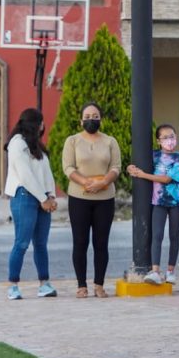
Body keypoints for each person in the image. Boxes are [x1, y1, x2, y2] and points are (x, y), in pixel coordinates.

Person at [62, 102, 121, 298]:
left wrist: (103, 182)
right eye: (87, 117)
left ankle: (99, 284)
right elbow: (68, 167)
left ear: (101, 119)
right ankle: (81, 285)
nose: (91, 120)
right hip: (79, 197)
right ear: (81, 120)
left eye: (95, 116)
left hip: (105, 197)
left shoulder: (110, 141)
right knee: (80, 242)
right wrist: (86, 182)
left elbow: (116, 167)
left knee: (101, 243)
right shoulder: (72, 141)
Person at [4, 108, 58, 300]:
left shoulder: (37, 145)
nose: (43, 126)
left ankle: (44, 284)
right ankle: (13, 285)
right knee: (22, 242)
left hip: (43, 198)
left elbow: (46, 173)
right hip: (24, 197)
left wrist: (51, 196)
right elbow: (25, 175)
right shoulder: (17, 144)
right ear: (34, 124)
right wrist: (43, 199)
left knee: (41, 243)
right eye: (41, 122)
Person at [126, 124, 179, 285]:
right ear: (158, 141)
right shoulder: (153, 155)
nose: (169, 140)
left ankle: (170, 271)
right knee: (157, 235)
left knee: (174, 236)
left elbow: (167, 179)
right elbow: (137, 166)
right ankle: (155, 271)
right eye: (165, 137)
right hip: (158, 202)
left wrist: (143, 175)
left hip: (175, 202)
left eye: (172, 136)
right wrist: (131, 168)